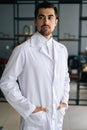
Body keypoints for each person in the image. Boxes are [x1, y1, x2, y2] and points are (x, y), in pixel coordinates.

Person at [0, 2, 70, 130]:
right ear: (35, 21)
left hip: (57, 116)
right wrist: (30, 109)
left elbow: (65, 78)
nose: (46, 21)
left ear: (56, 21)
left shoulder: (62, 50)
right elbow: (6, 82)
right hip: (34, 121)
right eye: (41, 17)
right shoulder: (23, 50)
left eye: (50, 17)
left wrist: (64, 102)